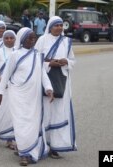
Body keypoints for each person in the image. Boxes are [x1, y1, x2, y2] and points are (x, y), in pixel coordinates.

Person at [0, 27, 54, 166]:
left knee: (33, 123)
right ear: (22, 39)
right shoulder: (15, 55)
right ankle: (24, 154)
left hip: (34, 96)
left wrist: (49, 88)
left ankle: (29, 149)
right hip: (18, 94)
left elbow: (43, 74)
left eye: (34, 38)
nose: (32, 40)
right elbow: (6, 76)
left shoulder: (38, 54)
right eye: (29, 38)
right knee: (21, 123)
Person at [35, 16, 77, 159]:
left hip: (61, 81)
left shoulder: (67, 41)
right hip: (45, 79)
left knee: (59, 112)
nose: (59, 27)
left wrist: (66, 61)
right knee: (45, 112)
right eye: (56, 25)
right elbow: (35, 59)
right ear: (50, 27)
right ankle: (42, 144)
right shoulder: (42, 40)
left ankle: (56, 146)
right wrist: (49, 64)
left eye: (61, 25)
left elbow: (73, 61)